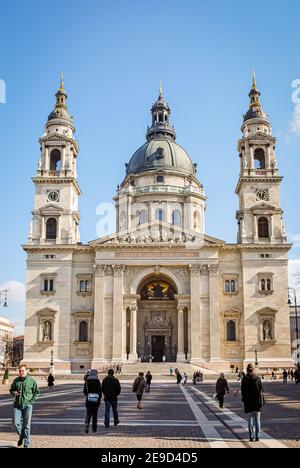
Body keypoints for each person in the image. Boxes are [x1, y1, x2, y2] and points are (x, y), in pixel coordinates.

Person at [10, 364, 40, 449]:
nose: (21, 372)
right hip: (17, 405)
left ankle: (26, 445)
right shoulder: (16, 380)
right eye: (19, 371)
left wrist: (31, 402)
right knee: (16, 423)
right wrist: (13, 393)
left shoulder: (32, 380)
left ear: (26, 371)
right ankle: (22, 436)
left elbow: (37, 392)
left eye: (22, 371)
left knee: (26, 425)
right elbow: (11, 390)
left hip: (28, 405)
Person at [241, 364, 265, 442]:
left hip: (249, 402)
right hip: (257, 402)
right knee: (257, 420)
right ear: (253, 370)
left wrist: (244, 399)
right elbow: (262, 389)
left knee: (250, 420)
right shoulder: (257, 378)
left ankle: (251, 436)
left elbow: (243, 391)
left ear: (247, 370)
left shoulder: (244, 379)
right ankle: (257, 436)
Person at [83, 369, 102, 434]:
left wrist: (89, 395)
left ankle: (86, 424)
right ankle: (94, 429)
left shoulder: (87, 381)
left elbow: (85, 391)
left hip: (88, 400)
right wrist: (98, 398)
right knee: (95, 415)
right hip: (96, 400)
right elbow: (100, 391)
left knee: (88, 414)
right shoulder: (97, 381)